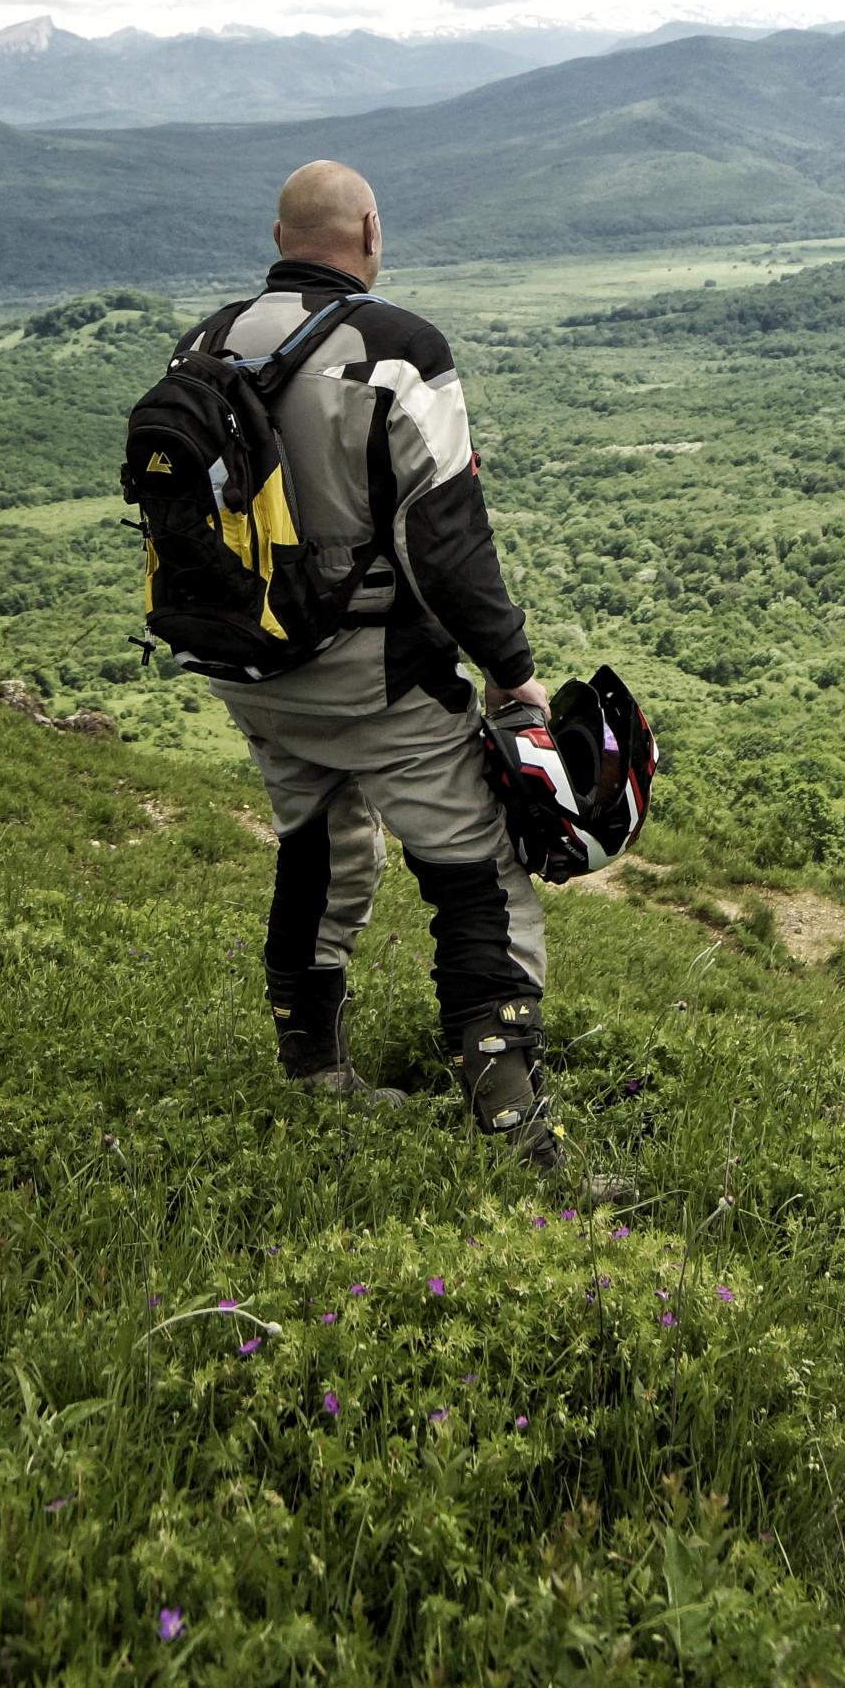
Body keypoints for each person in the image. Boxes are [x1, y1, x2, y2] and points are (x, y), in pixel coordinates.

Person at [172, 158, 558, 1162]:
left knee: (322, 848)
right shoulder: (398, 350)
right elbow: (445, 542)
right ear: (372, 233)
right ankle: (514, 1136)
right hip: (376, 677)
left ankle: (312, 1074)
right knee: (478, 874)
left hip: (250, 669)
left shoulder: (205, 341)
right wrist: (511, 670)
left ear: (278, 237)